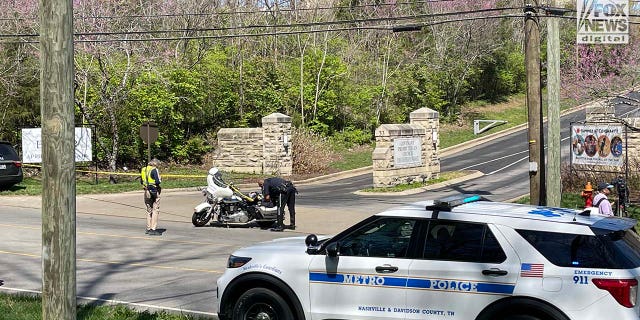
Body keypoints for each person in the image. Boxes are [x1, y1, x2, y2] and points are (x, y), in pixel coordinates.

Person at [141, 158, 162, 235]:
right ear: (156, 164)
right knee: (155, 210)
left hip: (146, 191)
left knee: (149, 210)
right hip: (154, 191)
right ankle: (153, 229)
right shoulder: (154, 170)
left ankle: (148, 228)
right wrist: (160, 179)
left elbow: (141, 181)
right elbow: (157, 181)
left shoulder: (144, 169)